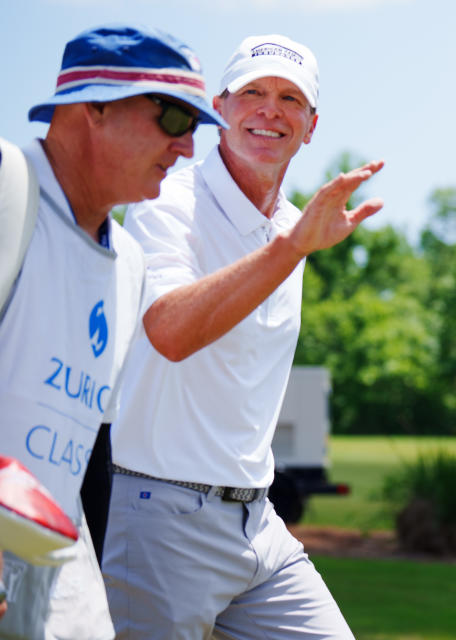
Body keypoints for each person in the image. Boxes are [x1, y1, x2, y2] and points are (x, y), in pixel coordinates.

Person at [101, 34, 383, 639]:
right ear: (220, 107)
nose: (269, 109)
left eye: (289, 98)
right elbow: (170, 331)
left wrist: (292, 242)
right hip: (157, 516)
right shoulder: (166, 203)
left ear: (310, 126)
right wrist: (292, 248)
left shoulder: (293, 227)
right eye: (252, 92)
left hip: (258, 523)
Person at [0, 24, 225, 639]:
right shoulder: (6, 188)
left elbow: (92, 448)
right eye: (176, 118)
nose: (187, 149)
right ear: (93, 105)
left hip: (61, 584)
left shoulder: (128, 263)